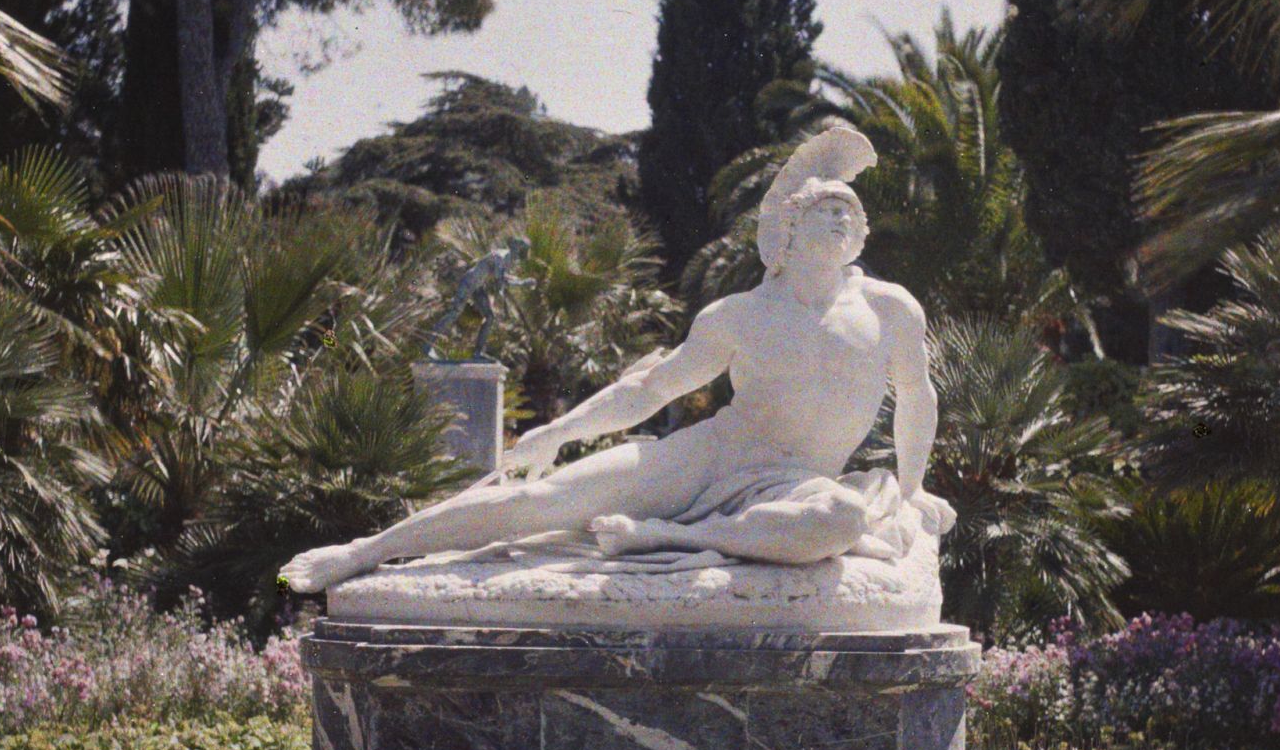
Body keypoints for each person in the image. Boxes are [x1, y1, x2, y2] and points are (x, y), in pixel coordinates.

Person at [279, 124, 951, 596]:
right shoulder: (740, 316)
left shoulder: (892, 310)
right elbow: (649, 391)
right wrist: (557, 431)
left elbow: (918, 399)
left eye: (850, 213)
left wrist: (914, 491)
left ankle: (670, 538)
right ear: (789, 229)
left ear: (862, 234)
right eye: (828, 207)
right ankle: (362, 552)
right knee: (543, 498)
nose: (842, 219)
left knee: (836, 522)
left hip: (801, 485)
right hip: (712, 459)